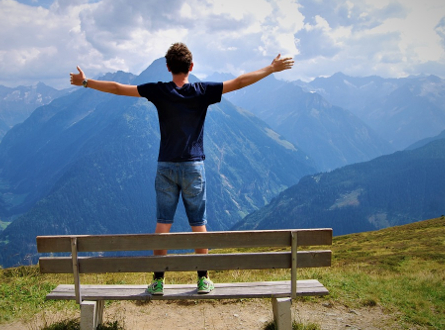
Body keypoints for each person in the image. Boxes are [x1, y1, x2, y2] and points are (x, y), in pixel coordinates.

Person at [70, 42, 294, 295]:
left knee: (162, 225)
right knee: (198, 224)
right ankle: (203, 279)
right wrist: (271, 68)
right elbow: (240, 81)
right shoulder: (202, 91)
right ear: (191, 67)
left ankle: (157, 281)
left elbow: (118, 89)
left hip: (165, 166)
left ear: (167, 67)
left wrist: (86, 82)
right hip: (193, 167)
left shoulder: (159, 91)